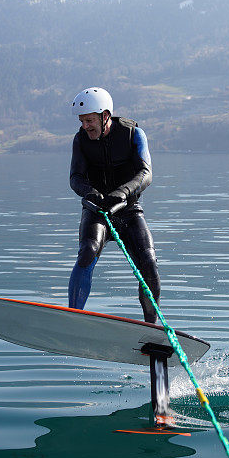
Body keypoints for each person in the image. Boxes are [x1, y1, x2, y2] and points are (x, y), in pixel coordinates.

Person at [68, 87, 161, 323]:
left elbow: (145, 174)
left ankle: (150, 328)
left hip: (127, 210)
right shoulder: (80, 140)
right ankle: (73, 316)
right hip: (96, 210)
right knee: (88, 251)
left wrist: (121, 193)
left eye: (89, 120)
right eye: (82, 121)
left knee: (148, 261)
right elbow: (75, 178)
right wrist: (92, 194)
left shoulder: (133, 134)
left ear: (105, 115)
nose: (85, 126)